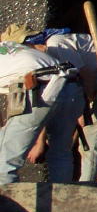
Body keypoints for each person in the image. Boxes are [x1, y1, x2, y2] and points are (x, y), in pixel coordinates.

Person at [27, 30, 97, 182]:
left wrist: (83, 110)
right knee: (95, 134)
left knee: (92, 140)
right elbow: (46, 104)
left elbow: (87, 76)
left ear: (34, 43)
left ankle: (85, 190)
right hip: (92, 84)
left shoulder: (57, 46)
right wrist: (40, 142)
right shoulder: (35, 62)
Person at [0, 39, 84, 183]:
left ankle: (7, 205)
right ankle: (60, 202)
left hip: (40, 86)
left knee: (4, 163)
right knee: (60, 153)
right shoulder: (8, 47)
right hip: (71, 85)